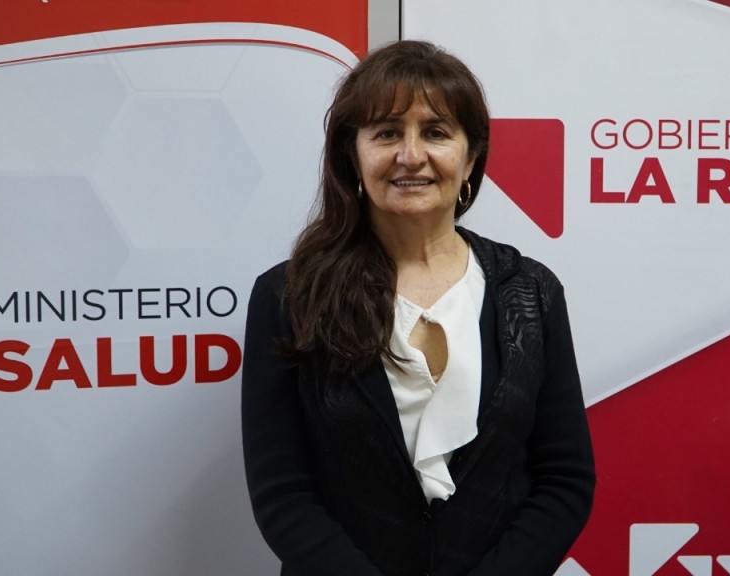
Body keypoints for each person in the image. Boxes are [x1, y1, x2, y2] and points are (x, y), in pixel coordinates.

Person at [241, 40, 595, 576]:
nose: (411, 155)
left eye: (435, 132)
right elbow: (282, 495)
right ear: (352, 155)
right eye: (387, 133)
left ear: (470, 157)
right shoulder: (289, 296)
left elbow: (564, 480)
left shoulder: (531, 292)